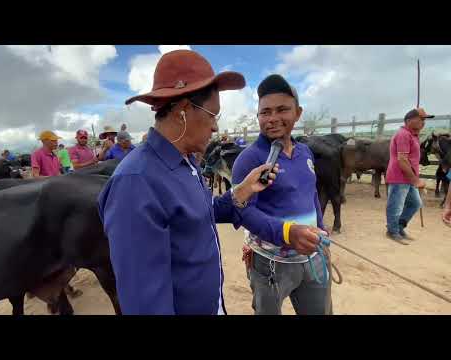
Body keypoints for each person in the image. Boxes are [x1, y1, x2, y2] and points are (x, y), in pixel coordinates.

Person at [98, 49, 279, 315]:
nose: (215, 127)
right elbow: (145, 303)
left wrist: (242, 190)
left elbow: (198, 215)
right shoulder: (135, 183)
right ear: (182, 111)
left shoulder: (187, 161)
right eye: (212, 115)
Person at [232, 74, 331, 315]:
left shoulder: (305, 152)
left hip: (312, 255)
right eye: (265, 112)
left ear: (297, 113)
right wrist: (288, 233)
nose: (273, 119)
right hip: (269, 263)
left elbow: (311, 196)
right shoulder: (249, 159)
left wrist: (322, 231)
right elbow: (244, 212)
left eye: (282, 110)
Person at [385, 108, 434, 244]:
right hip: (399, 176)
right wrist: (416, 180)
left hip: (408, 177)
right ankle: (392, 231)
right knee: (396, 204)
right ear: (409, 120)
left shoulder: (413, 135)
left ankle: (399, 227)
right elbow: (402, 160)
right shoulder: (403, 135)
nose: (423, 123)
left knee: (415, 203)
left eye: (424, 120)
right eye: (421, 119)